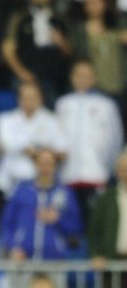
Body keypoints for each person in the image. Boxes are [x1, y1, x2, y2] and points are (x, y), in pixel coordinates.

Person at [55, 60, 123, 223]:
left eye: (87, 76)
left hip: (97, 173)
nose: (82, 79)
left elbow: (115, 137)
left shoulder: (106, 105)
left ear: (94, 78)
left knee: (95, 219)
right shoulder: (62, 104)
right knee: (70, 221)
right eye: (79, 75)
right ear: (72, 78)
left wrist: (108, 165)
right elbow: (56, 137)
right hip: (68, 173)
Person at [0, 149, 82, 261]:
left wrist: (58, 219)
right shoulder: (21, 190)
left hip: (54, 260)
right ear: (35, 165)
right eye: (41, 163)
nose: (45, 168)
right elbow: (7, 223)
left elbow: (76, 226)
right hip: (22, 259)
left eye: (49, 164)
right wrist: (13, 247)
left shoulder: (65, 192)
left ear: (55, 166)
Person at [88, 153, 127, 288]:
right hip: (112, 261)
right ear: (117, 172)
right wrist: (96, 254)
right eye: (123, 169)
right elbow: (93, 231)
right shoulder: (107, 199)